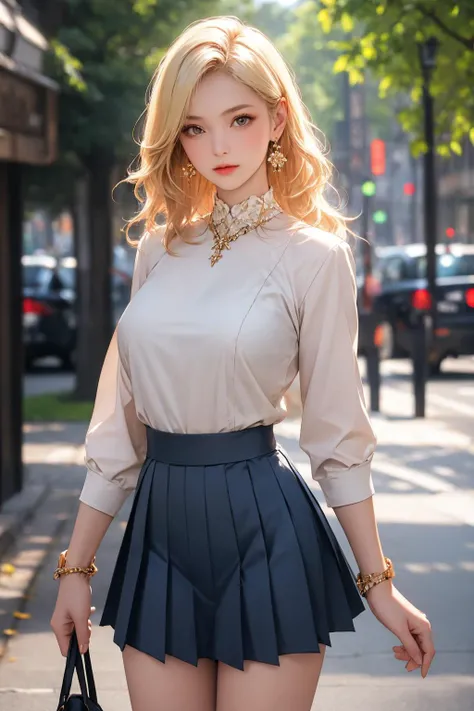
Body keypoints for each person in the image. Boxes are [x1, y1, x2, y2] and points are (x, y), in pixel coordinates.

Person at [51, 15, 435, 711]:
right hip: (158, 533)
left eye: (239, 117)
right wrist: (76, 567)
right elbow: (119, 427)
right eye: (194, 127)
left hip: (266, 530)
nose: (218, 145)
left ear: (278, 118)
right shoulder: (157, 250)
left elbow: (338, 436)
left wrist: (379, 584)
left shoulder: (315, 257)